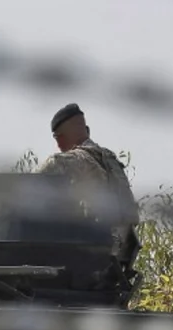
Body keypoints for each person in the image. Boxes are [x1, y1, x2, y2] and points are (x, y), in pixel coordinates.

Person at [38, 103, 139, 262]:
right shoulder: (110, 160)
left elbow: (31, 190)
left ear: (59, 138)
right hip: (123, 253)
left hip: (91, 253)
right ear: (87, 130)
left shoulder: (62, 162)